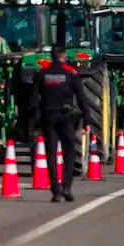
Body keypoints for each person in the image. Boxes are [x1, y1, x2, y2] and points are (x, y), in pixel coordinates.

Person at [31, 45, 90, 202]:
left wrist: (35, 121)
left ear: (51, 56)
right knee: (69, 153)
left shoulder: (43, 73)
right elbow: (82, 97)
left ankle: (55, 191)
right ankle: (66, 187)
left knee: (51, 154)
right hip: (66, 117)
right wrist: (87, 120)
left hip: (48, 116)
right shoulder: (70, 73)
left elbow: (34, 99)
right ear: (63, 56)